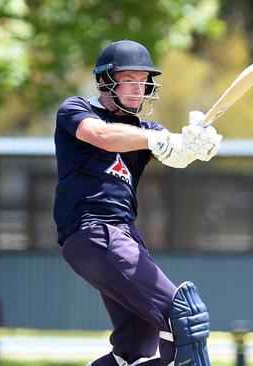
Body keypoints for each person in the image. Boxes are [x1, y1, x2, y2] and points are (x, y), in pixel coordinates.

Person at [53, 39, 220, 366]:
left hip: (124, 237)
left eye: (143, 81)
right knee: (186, 315)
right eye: (128, 79)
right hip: (94, 232)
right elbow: (100, 135)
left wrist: (194, 144)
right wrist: (156, 139)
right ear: (104, 81)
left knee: (134, 350)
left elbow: (174, 152)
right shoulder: (76, 109)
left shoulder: (145, 129)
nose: (137, 88)